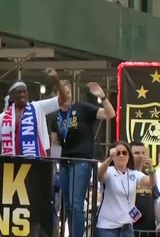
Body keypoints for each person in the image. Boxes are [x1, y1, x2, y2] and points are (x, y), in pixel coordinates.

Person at [50, 80, 115, 237]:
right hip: (64, 163)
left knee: (76, 203)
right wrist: (53, 164)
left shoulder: (82, 108)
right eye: (62, 93)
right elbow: (55, 143)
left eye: (68, 93)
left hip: (81, 161)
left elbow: (110, 114)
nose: (66, 96)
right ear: (55, 95)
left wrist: (103, 97)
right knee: (67, 204)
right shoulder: (56, 117)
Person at [0, 68, 67, 156]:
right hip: (11, 165)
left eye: (24, 92)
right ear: (12, 96)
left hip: (37, 162)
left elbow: (63, 99)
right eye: (19, 92)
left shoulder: (38, 107)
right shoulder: (3, 117)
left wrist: (56, 80)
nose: (22, 94)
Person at [97, 141, 156, 237]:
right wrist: (109, 158)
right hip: (107, 226)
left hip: (126, 226)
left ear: (129, 156)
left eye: (124, 153)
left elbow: (151, 182)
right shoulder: (109, 171)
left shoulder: (134, 174)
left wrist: (151, 169)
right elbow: (100, 175)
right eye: (117, 153)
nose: (121, 156)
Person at [131, 141, 159, 236]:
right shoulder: (125, 175)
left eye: (143, 153)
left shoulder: (150, 176)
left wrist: (159, 223)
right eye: (136, 153)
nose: (141, 156)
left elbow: (155, 201)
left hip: (148, 230)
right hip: (130, 229)